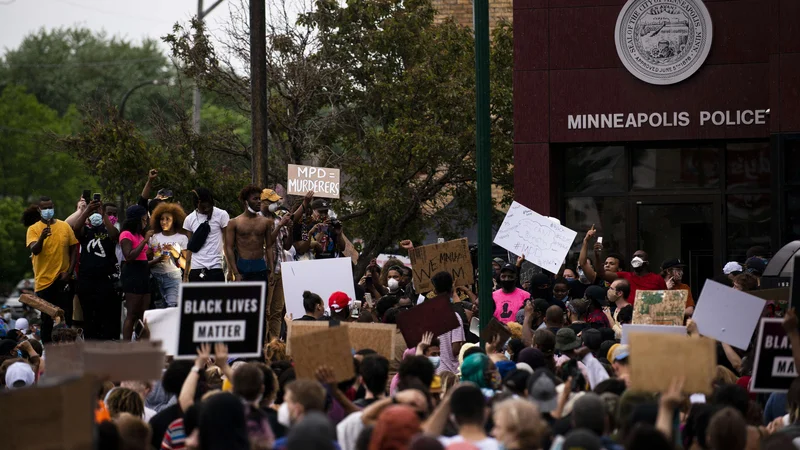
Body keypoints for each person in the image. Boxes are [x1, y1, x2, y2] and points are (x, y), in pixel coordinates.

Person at [26, 195, 78, 342]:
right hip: (44, 282)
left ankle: (66, 348)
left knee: (65, 317)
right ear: (39, 209)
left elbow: (74, 249)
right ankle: (48, 351)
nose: (48, 210)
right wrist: (42, 237)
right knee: (47, 319)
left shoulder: (64, 226)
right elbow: (34, 250)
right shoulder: (33, 229)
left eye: (50, 207)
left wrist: (69, 272)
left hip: (63, 279)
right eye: (45, 208)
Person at [73, 199, 120, 340]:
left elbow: (114, 235)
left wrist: (104, 215)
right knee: (89, 316)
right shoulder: (85, 231)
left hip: (105, 281)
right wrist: (87, 210)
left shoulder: (109, 230)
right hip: (86, 281)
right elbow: (75, 229)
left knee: (105, 316)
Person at [261, 188, 295, 342]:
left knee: (277, 311)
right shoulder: (258, 220)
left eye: (276, 202)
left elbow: (287, 245)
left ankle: (274, 344)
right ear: (263, 202)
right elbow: (267, 242)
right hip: (267, 270)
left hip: (281, 269)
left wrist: (291, 227)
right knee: (266, 311)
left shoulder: (277, 218)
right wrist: (280, 225)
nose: (276, 204)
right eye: (272, 202)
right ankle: (264, 345)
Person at [424, 384, 500, 450]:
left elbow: (426, 436)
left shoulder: (443, 445)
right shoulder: (501, 446)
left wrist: (448, 399)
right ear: (485, 413)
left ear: (452, 417)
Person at [120, 205, 154, 341]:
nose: (145, 223)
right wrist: (145, 240)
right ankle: (126, 345)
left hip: (143, 273)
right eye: (144, 220)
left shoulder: (138, 234)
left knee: (143, 314)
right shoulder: (126, 234)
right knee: (132, 313)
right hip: (132, 274)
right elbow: (129, 256)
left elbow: (142, 257)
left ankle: (141, 344)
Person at [226, 185, 273, 282]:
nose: (259, 201)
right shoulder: (234, 222)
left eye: (260, 198)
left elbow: (269, 247)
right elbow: (229, 248)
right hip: (242, 269)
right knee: (244, 297)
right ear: (246, 202)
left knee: (262, 297)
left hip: (260, 268)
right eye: (255, 199)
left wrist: (271, 270)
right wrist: (235, 273)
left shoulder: (266, 222)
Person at [183, 188, 230, 282]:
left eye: (209, 206)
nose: (207, 209)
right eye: (204, 207)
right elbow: (189, 249)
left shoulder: (221, 215)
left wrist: (231, 270)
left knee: (216, 297)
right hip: (196, 268)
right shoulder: (189, 219)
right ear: (198, 204)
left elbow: (227, 244)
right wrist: (185, 275)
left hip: (215, 267)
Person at [149, 202, 189, 308]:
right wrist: (157, 255)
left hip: (173, 277)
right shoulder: (154, 237)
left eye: (168, 219)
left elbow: (187, 265)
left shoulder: (182, 238)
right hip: (155, 276)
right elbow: (148, 258)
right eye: (162, 219)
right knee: (158, 309)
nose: (164, 222)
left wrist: (175, 252)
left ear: (174, 221)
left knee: (172, 307)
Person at [598, 248, 666, 305]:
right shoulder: (625, 276)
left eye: (639, 256)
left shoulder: (657, 279)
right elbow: (602, 274)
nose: (636, 258)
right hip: (629, 317)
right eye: (634, 256)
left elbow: (665, 299)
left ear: (647, 262)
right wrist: (597, 256)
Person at [273, 380, 328, 449]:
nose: (283, 406)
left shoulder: (280, 446)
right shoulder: (334, 446)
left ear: (298, 410)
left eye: (286, 402)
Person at [430, 272, 465, 375]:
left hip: (434, 372)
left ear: (435, 291)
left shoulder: (428, 316)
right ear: (451, 290)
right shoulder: (454, 317)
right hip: (450, 373)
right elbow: (455, 349)